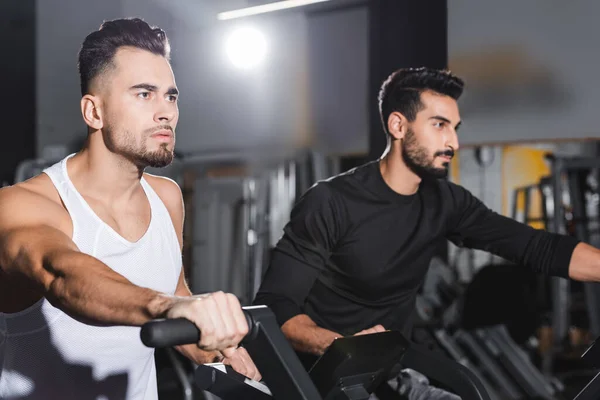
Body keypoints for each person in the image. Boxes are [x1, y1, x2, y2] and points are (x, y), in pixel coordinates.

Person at [253, 67, 600, 399]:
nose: (453, 142)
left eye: (455, 128)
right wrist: (341, 346)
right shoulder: (331, 201)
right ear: (398, 125)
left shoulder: (446, 202)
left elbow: (537, 247)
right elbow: (276, 305)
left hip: (385, 371)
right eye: (439, 125)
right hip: (316, 376)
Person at [0, 18, 260, 400]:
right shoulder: (21, 204)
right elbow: (63, 276)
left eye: (171, 96)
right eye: (144, 94)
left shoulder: (167, 198)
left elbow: (173, 290)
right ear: (94, 112)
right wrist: (169, 307)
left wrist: (209, 347)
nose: (165, 112)